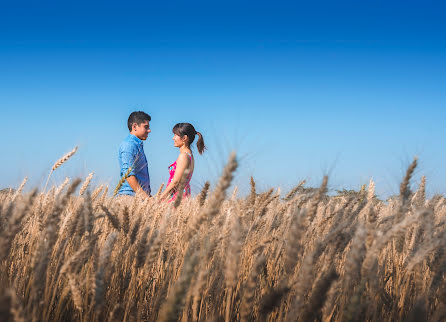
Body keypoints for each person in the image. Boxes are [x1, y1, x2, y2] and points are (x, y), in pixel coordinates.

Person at [159, 123, 206, 202]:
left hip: (176, 197)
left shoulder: (183, 156)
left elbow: (175, 182)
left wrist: (159, 198)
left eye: (175, 135)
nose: (173, 138)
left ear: (184, 138)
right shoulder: (189, 155)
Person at [117, 111, 152, 198]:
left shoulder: (137, 144)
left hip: (138, 197)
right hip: (130, 197)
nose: (149, 130)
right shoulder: (128, 145)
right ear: (135, 126)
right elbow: (128, 174)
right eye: (146, 127)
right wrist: (146, 198)